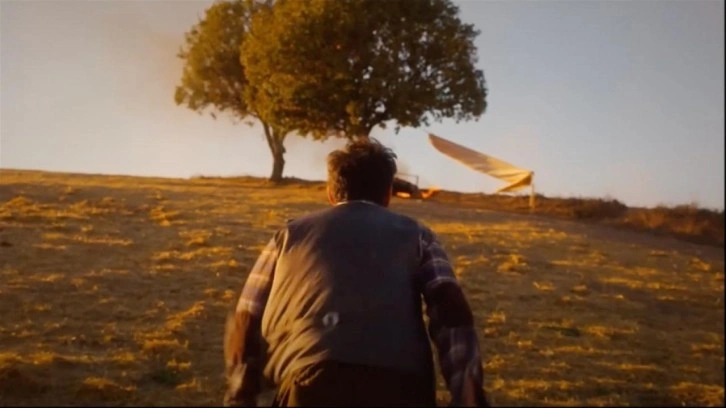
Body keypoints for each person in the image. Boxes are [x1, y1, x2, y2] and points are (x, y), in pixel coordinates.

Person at [223, 137, 489, 407]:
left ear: (331, 193)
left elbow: (248, 316)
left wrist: (240, 396)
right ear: (387, 194)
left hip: (309, 380)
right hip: (403, 384)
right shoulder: (418, 235)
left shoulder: (289, 236)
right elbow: (451, 312)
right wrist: (467, 393)